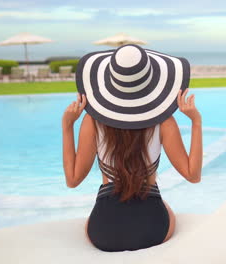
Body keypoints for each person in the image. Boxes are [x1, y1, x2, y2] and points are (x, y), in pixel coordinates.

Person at [61, 44, 203, 252]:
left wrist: (67, 126)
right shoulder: (164, 122)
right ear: (152, 81)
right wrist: (196, 122)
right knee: (168, 211)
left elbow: (73, 180)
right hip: (153, 226)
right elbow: (193, 175)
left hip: (104, 231)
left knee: (90, 223)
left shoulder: (92, 121)